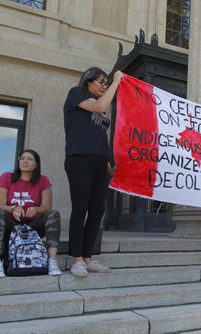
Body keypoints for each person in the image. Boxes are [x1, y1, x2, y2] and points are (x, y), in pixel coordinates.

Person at [64, 67, 123, 277]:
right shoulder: (76, 94)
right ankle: (77, 259)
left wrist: (107, 162)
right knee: (81, 208)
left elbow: (100, 136)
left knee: (97, 210)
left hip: (100, 163)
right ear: (88, 82)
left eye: (106, 83)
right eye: (101, 82)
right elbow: (99, 106)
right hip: (79, 158)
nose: (104, 86)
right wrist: (116, 82)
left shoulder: (101, 110)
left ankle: (88, 258)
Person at [0, 149, 62, 278]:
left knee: (53, 214)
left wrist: (36, 209)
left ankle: (52, 261)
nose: (25, 161)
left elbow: (47, 207)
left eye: (29, 159)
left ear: (37, 164)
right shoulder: (6, 177)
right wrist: (13, 208)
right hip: (11, 227)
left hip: (32, 229)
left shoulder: (43, 180)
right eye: (22, 158)